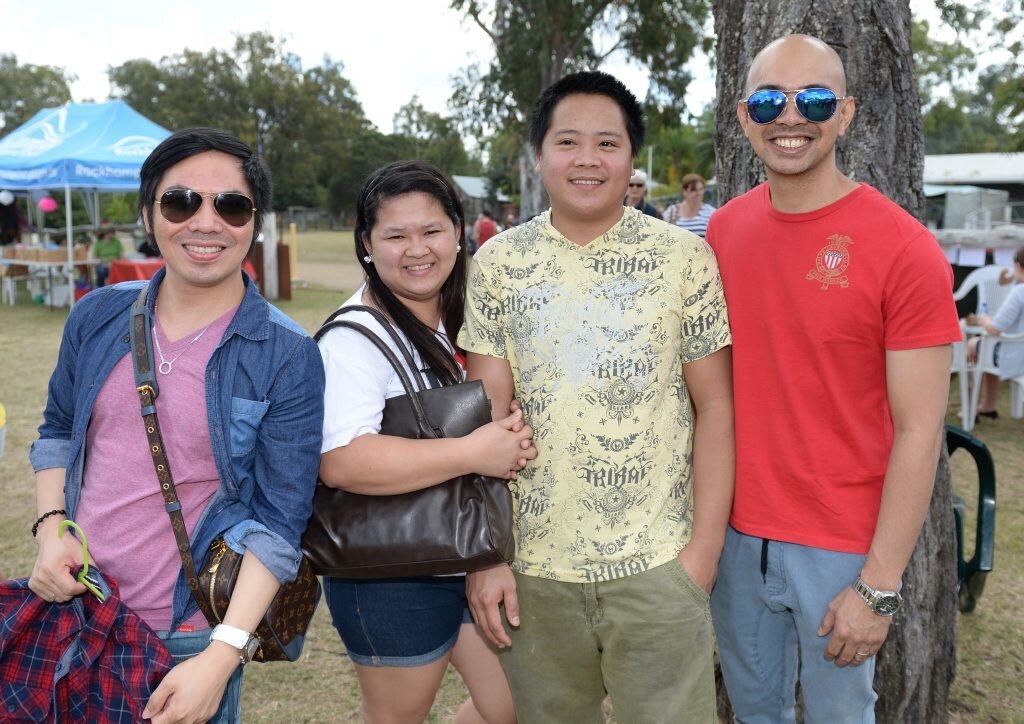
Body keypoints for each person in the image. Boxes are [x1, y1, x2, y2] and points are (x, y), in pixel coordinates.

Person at [459, 71, 734, 723]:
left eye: (607, 143)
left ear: (631, 159)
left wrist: (700, 557)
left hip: (659, 566)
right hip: (534, 573)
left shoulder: (683, 259)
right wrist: (486, 559)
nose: (587, 159)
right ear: (539, 156)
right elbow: (484, 419)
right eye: (568, 141)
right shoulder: (499, 264)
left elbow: (716, 406)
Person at [28, 127, 325, 723]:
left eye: (232, 205)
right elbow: (58, 428)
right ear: (149, 213)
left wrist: (220, 657)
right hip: (78, 610)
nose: (206, 222)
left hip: (185, 635)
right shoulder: (97, 315)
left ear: (254, 224)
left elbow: (278, 521)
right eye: (181, 201)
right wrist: (49, 527)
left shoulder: (287, 354)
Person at [706, 34, 962, 722]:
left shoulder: (904, 248)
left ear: (845, 114)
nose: (791, 116)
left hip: (843, 546)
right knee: (755, 714)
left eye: (813, 99)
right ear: (743, 116)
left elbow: (918, 430)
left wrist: (878, 587)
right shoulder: (721, 236)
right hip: (734, 538)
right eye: (769, 100)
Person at [317, 160, 534, 724]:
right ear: (367, 244)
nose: (417, 249)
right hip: (390, 571)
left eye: (432, 230)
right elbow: (342, 461)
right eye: (395, 235)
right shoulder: (353, 338)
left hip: (469, 555)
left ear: (458, 232)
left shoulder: (468, 313)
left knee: (510, 705)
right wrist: (475, 451)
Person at [966, 245, 1024, 418]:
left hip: (1016, 354)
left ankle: (969, 406)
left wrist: (983, 319)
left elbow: (995, 328)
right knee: (986, 347)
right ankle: (988, 404)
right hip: (1018, 348)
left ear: (1019, 266)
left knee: (973, 345)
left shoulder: (1019, 292)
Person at [663, 173, 715, 237]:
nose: (699, 193)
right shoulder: (671, 212)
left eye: (701, 189)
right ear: (684, 191)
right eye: (694, 190)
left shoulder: (711, 213)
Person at [92, 219, 123, 286]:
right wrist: (101, 260)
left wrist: (115, 262)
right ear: (106, 233)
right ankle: (100, 290)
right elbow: (94, 259)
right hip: (103, 265)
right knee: (101, 271)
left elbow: (121, 257)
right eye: (111, 231)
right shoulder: (99, 244)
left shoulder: (117, 242)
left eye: (113, 231)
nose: (113, 233)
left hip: (115, 266)